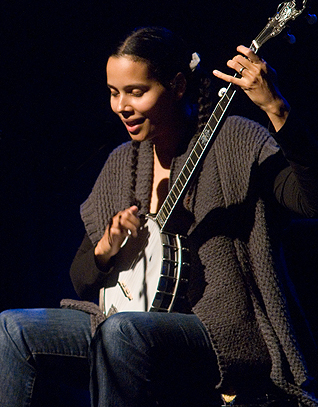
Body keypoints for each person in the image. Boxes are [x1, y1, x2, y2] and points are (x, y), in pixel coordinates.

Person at [1, 26, 318, 407]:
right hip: (126, 323)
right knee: (12, 327)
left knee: (121, 332)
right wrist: (105, 249)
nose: (121, 106)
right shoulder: (121, 164)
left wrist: (276, 109)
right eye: (114, 93)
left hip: (218, 329)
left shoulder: (234, 139)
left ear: (178, 85)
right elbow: (82, 281)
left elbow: (310, 202)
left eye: (136, 91)